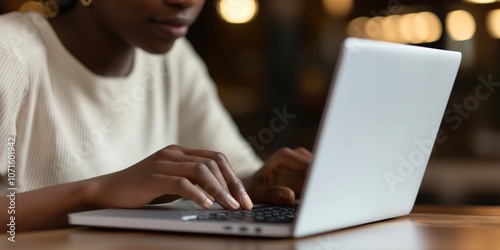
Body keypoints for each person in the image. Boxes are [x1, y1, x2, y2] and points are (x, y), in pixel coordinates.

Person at [0, 0, 312, 232]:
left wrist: (255, 183)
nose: (186, 3)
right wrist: (97, 193)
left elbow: (233, 166)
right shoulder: (10, 54)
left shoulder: (174, 60)